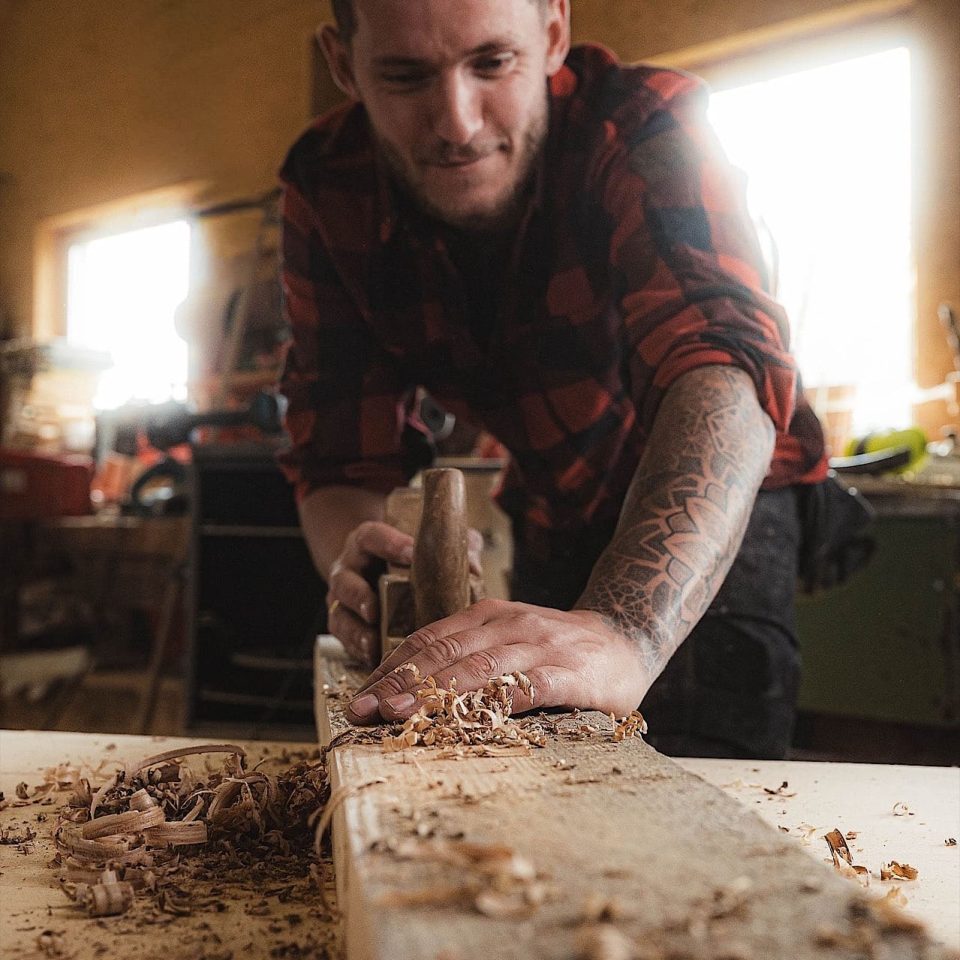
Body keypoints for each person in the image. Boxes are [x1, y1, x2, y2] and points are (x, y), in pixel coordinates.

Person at [277, 0, 829, 758]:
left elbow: (721, 365)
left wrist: (629, 627)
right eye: (405, 76)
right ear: (344, 64)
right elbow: (340, 457)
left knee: (709, 771)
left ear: (554, 35)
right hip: (555, 499)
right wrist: (366, 558)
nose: (458, 123)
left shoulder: (645, 124)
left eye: (492, 63)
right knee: (536, 776)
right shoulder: (327, 184)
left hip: (719, 501)